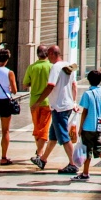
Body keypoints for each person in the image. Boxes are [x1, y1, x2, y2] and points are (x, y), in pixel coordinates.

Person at [33, 45, 79, 173]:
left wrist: (38, 102)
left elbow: (50, 86)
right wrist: (74, 102)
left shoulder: (56, 67)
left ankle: (73, 163)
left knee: (64, 136)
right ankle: (43, 159)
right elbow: (74, 85)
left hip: (59, 107)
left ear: (53, 53)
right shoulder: (68, 65)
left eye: (48, 55)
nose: (47, 58)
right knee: (53, 135)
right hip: (66, 105)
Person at [75, 70, 101, 180]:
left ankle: (85, 173)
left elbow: (85, 111)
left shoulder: (87, 94)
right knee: (97, 147)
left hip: (88, 126)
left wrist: (81, 127)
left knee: (87, 150)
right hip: (98, 125)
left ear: (89, 80)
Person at [22, 45, 53, 160]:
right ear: (47, 54)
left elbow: (25, 84)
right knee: (44, 128)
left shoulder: (32, 67)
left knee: (37, 127)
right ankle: (40, 154)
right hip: (47, 102)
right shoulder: (51, 67)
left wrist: (33, 83)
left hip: (34, 102)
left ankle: (39, 150)